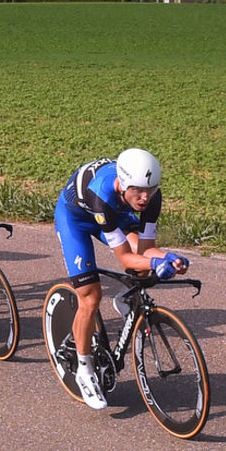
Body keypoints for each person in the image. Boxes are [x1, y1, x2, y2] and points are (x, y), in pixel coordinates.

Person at [53, 149, 188, 410]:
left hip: (113, 215)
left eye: (151, 189)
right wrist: (155, 260)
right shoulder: (102, 193)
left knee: (145, 263)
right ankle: (84, 370)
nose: (145, 196)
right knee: (90, 297)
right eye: (138, 190)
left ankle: (127, 299)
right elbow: (126, 258)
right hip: (77, 219)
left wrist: (170, 257)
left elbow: (146, 249)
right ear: (123, 184)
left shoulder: (150, 196)